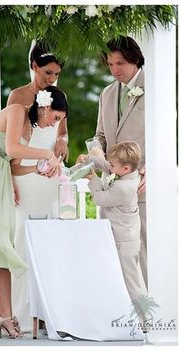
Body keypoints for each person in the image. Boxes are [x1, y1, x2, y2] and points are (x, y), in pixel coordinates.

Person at [0, 86, 68, 339]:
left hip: (2, 175)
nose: (54, 125)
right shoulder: (15, 111)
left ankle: (5, 316)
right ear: (45, 107)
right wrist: (47, 153)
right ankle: (3, 315)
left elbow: (14, 166)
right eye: (55, 118)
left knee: (4, 246)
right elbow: (11, 149)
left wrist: (38, 168)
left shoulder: (32, 127)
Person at [7, 42, 69, 332]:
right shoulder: (18, 97)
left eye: (56, 74)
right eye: (47, 72)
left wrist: (62, 141)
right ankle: (21, 311)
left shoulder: (60, 96)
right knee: (22, 241)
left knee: (50, 245)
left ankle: (46, 313)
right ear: (33, 65)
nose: (52, 79)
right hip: (26, 176)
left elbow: (62, 129)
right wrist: (10, 179)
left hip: (50, 176)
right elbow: (10, 145)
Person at [94, 36, 147, 288]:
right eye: (110, 64)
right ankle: (120, 315)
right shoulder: (106, 93)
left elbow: (169, 133)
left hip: (141, 184)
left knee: (143, 251)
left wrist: (153, 169)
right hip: (110, 187)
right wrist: (94, 153)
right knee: (110, 254)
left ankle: (152, 318)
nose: (115, 69)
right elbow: (101, 136)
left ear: (135, 60)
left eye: (120, 63)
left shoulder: (156, 86)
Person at [87, 141, 147, 328]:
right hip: (128, 237)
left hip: (124, 241)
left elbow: (99, 198)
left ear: (125, 167)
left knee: (132, 282)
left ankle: (146, 322)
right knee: (130, 279)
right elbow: (107, 165)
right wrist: (91, 161)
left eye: (112, 166)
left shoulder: (123, 188)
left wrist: (94, 180)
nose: (109, 168)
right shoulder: (131, 175)